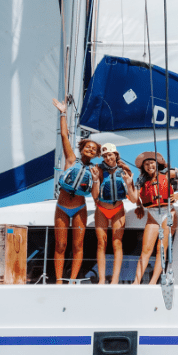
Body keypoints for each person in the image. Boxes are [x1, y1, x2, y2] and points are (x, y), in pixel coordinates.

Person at [51, 98, 100, 283]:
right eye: (88, 146)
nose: (90, 149)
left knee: (78, 245)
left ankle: (72, 279)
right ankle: (58, 280)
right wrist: (63, 113)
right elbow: (64, 136)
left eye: (93, 149)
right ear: (83, 149)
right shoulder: (71, 160)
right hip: (62, 207)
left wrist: (95, 179)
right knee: (61, 244)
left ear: (95, 154)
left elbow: (95, 196)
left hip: (80, 208)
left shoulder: (96, 170)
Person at [91, 143, 137, 284]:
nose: (107, 158)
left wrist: (129, 184)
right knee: (101, 244)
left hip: (118, 209)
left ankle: (115, 279)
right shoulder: (98, 170)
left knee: (117, 243)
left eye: (110, 154)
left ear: (116, 155)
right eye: (104, 156)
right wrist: (94, 180)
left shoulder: (124, 170)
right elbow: (95, 196)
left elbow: (134, 199)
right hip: (101, 209)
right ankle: (102, 279)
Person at [133, 152, 178, 284]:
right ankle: (136, 282)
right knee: (146, 250)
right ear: (143, 167)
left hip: (168, 213)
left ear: (157, 163)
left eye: (151, 163)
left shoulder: (168, 173)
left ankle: (153, 281)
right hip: (152, 215)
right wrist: (138, 205)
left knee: (162, 248)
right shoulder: (141, 181)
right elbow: (135, 195)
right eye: (146, 164)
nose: (149, 166)